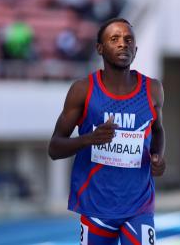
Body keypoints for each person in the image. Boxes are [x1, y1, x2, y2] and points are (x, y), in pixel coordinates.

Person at [48, 18, 166, 244]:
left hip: (138, 205)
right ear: (99, 48)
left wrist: (158, 156)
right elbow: (54, 148)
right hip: (96, 207)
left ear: (136, 49)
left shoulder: (152, 89)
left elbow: (158, 130)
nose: (123, 44)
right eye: (115, 39)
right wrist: (89, 139)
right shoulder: (83, 90)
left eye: (128, 39)